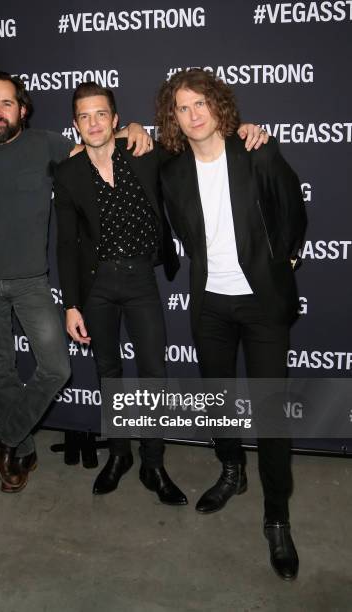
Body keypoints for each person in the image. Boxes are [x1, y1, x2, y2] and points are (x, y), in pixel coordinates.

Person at [0, 72, 152, 493]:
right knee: (1, 371)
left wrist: (132, 129)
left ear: (23, 110)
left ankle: (4, 435)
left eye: (7, 104)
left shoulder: (47, 144)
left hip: (32, 281)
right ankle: (20, 448)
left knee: (56, 366)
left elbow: (98, 141)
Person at [157, 69, 307, 579]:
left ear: (218, 106)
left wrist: (282, 262)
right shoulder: (173, 172)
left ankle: (277, 518)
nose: (193, 113)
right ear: (172, 118)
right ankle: (231, 470)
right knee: (218, 397)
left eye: (201, 102)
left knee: (270, 411)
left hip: (261, 304)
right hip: (210, 304)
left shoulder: (256, 151)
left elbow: (294, 212)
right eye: (182, 107)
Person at [53, 82, 186, 504]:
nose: (93, 123)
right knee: (109, 372)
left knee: (153, 373)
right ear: (76, 125)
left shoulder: (141, 152)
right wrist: (71, 303)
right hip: (98, 286)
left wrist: (137, 127)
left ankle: (153, 462)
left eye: (100, 114)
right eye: (84, 116)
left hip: (142, 279)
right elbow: (67, 244)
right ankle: (120, 454)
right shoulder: (68, 173)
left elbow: (193, 146)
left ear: (113, 119)